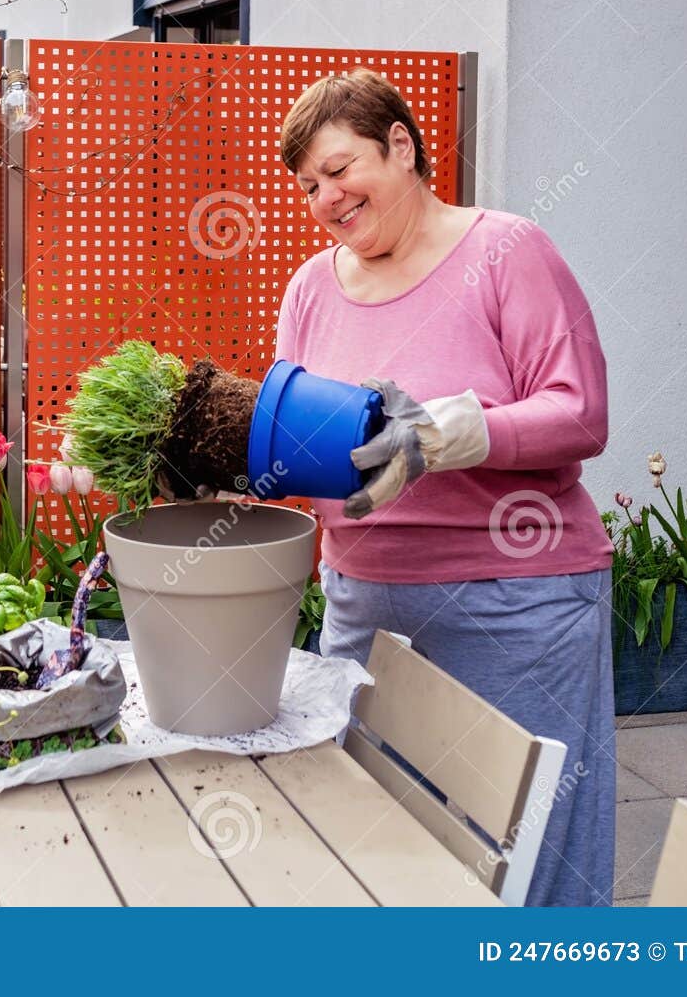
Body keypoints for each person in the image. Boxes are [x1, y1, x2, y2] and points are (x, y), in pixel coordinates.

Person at [275, 70, 614, 907]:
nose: (326, 198)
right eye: (309, 185)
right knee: (374, 849)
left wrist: (462, 433)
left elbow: (582, 413)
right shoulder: (312, 287)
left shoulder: (507, 250)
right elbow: (289, 441)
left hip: (514, 601)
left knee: (528, 845)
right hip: (363, 603)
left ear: (402, 145)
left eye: (340, 169)